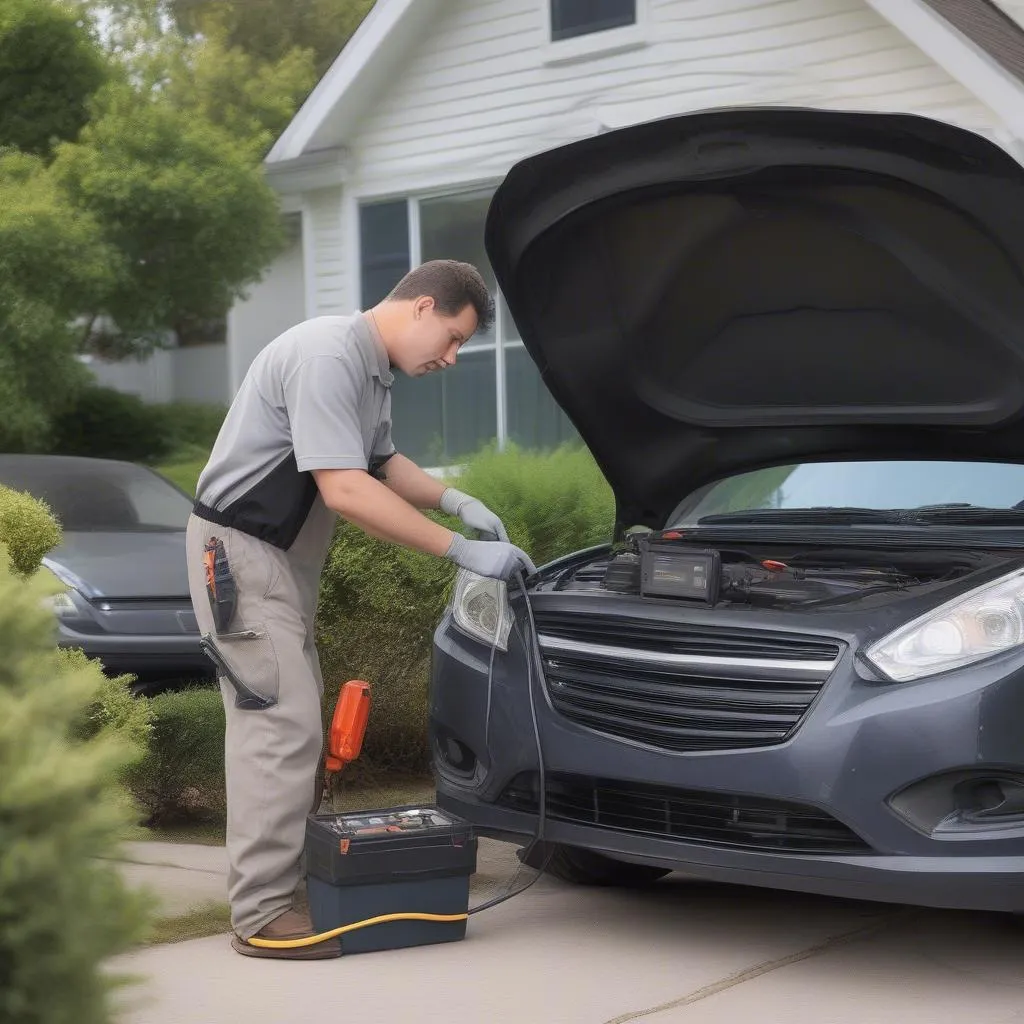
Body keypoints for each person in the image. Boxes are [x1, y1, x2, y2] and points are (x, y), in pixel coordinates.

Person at [185, 259, 536, 959]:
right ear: (422, 306)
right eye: (453, 338)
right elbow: (344, 489)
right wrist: (457, 550)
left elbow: (379, 464)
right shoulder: (327, 354)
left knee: (290, 725)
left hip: (278, 561)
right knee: (277, 732)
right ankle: (262, 916)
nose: (452, 358)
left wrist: (454, 500)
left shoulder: (368, 369)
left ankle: (283, 890)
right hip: (243, 558)